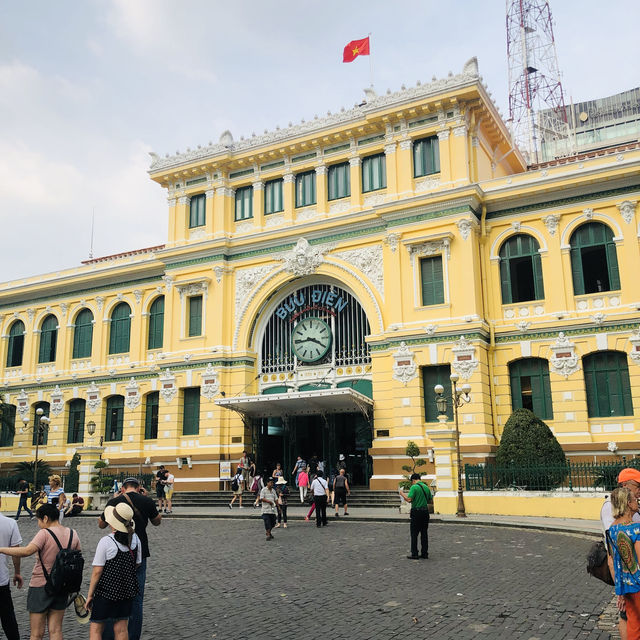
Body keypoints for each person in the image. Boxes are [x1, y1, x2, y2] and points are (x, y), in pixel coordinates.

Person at [0, 503, 81, 640]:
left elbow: (27, 551)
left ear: (45, 518)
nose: (38, 524)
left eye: (38, 520)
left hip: (40, 586)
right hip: (62, 586)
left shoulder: (44, 533)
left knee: (36, 634)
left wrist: (1, 549)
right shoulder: (73, 533)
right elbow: (78, 557)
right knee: (56, 631)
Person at [98, 476, 161, 640]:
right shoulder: (146, 501)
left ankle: (112, 634)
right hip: (139, 550)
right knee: (137, 598)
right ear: (139, 487)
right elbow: (157, 522)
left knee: (113, 594)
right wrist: (147, 500)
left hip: (116, 551)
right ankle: (132, 636)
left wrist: (112, 502)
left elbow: (101, 524)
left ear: (123, 488)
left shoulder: (115, 501)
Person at [87, 502, 141, 640]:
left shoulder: (106, 541)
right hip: (126, 591)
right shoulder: (135, 540)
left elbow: (97, 571)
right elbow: (137, 563)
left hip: (105, 592)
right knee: (121, 629)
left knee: (96, 629)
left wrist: (90, 595)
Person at [601, 468, 640, 640]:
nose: (638, 493)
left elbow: (614, 559)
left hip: (625, 583)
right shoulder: (635, 529)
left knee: (633, 621)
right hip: (638, 583)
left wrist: (620, 591)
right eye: (637, 487)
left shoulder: (614, 530)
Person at [0, 495, 23, 640]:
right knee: (8, 617)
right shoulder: (10, 523)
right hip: (1, 578)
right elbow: (16, 553)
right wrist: (17, 572)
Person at [399, 473, 432, 560]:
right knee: (424, 533)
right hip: (425, 512)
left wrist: (401, 494)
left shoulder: (414, 487)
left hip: (416, 512)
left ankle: (415, 553)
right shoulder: (426, 487)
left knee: (414, 534)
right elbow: (430, 500)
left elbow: (409, 499)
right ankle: (425, 553)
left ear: (413, 480)